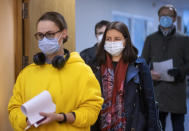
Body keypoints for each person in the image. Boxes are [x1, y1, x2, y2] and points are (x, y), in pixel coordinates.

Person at [8, 11, 103, 131]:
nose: (44, 39)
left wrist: (62, 117)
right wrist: (27, 119)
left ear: (63, 33)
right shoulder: (26, 73)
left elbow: (92, 110)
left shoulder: (82, 71)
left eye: (50, 34)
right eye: (40, 35)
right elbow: (14, 109)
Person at [89, 21, 162, 131]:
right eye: (108, 39)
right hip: (101, 125)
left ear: (125, 41)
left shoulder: (139, 65)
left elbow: (150, 102)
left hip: (132, 125)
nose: (112, 42)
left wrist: (153, 128)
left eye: (117, 39)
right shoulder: (95, 66)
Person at [142, 4, 189, 131]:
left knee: (178, 126)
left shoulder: (184, 39)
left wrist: (180, 71)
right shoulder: (151, 39)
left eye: (168, 16)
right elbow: (143, 63)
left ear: (174, 18)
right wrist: (148, 73)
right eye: (162, 16)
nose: (165, 18)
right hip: (157, 91)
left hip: (177, 92)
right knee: (157, 126)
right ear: (158, 18)